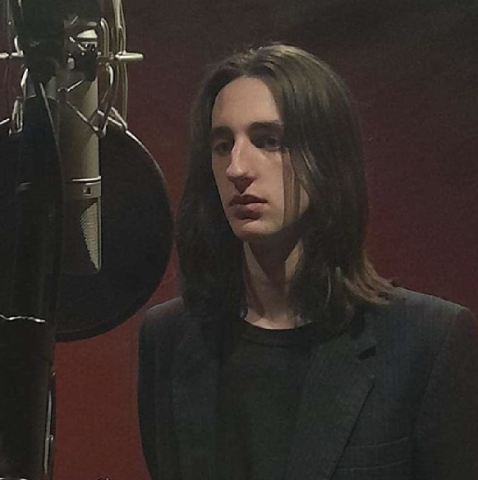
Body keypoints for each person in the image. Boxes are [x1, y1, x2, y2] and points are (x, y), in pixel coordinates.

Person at [137, 43, 478, 480]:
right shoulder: (168, 338)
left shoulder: (427, 343)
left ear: (326, 158)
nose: (238, 167)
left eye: (268, 141)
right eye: (222, 145)